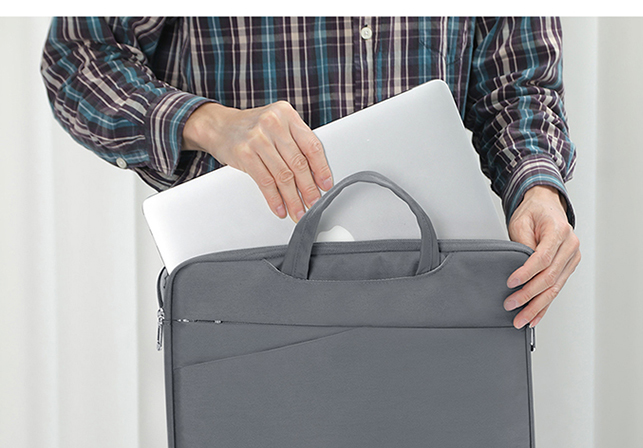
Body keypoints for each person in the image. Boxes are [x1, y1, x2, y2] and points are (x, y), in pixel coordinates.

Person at [41, 17, 580, 329]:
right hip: (249, 292)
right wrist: (206, 122)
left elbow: (517, 84)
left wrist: (535, 186)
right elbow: (77, 57)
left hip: (438, 289)